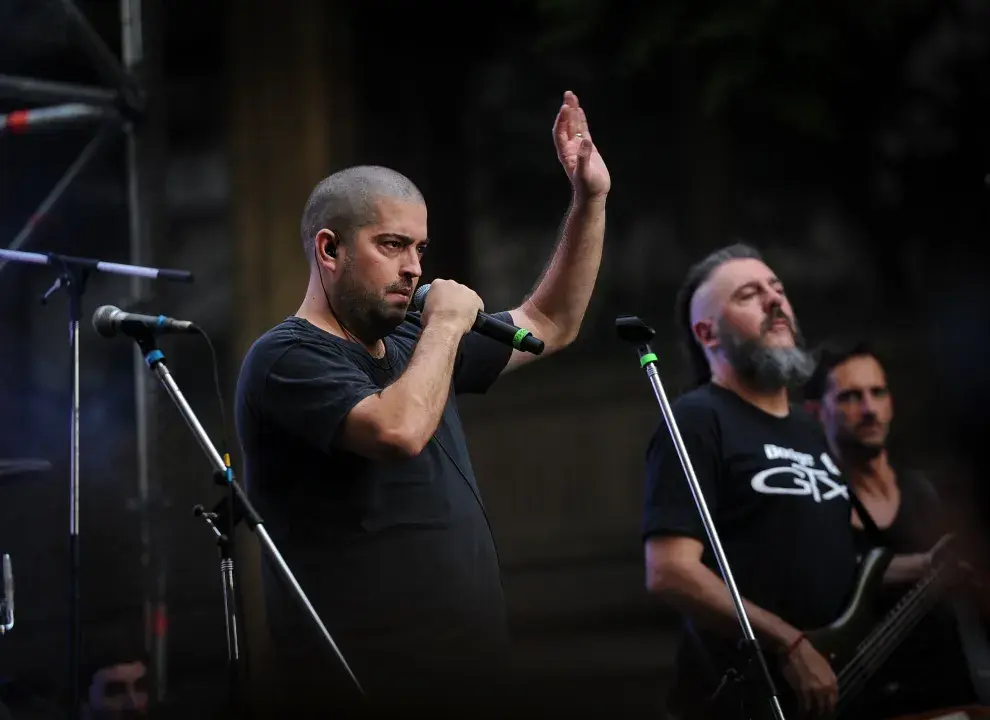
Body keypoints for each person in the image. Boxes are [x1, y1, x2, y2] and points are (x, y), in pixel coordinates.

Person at [234, 90, 610, 716]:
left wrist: (589, 199)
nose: (413, 268)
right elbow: (398, 430)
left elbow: (552, 320)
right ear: (329, 250)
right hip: (366, 677)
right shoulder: (286, 357)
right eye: (391, 245)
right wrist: (444, 326)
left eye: (419, 249)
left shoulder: (413, 339)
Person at [641, 242, 859, 719]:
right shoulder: (697, 419)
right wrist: (790, 644)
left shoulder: (810, 427)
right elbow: (670, 571)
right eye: (748, 295)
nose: (774, 301)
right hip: (744, 699)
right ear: (707, 333)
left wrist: (933, 560)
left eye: (777, 288)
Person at [803, 338, 989, 715]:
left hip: (958, 701)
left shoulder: (931, 494)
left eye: (878, 392)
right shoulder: (814, 506)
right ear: (815, 413)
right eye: (850, 397)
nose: (869, 409)